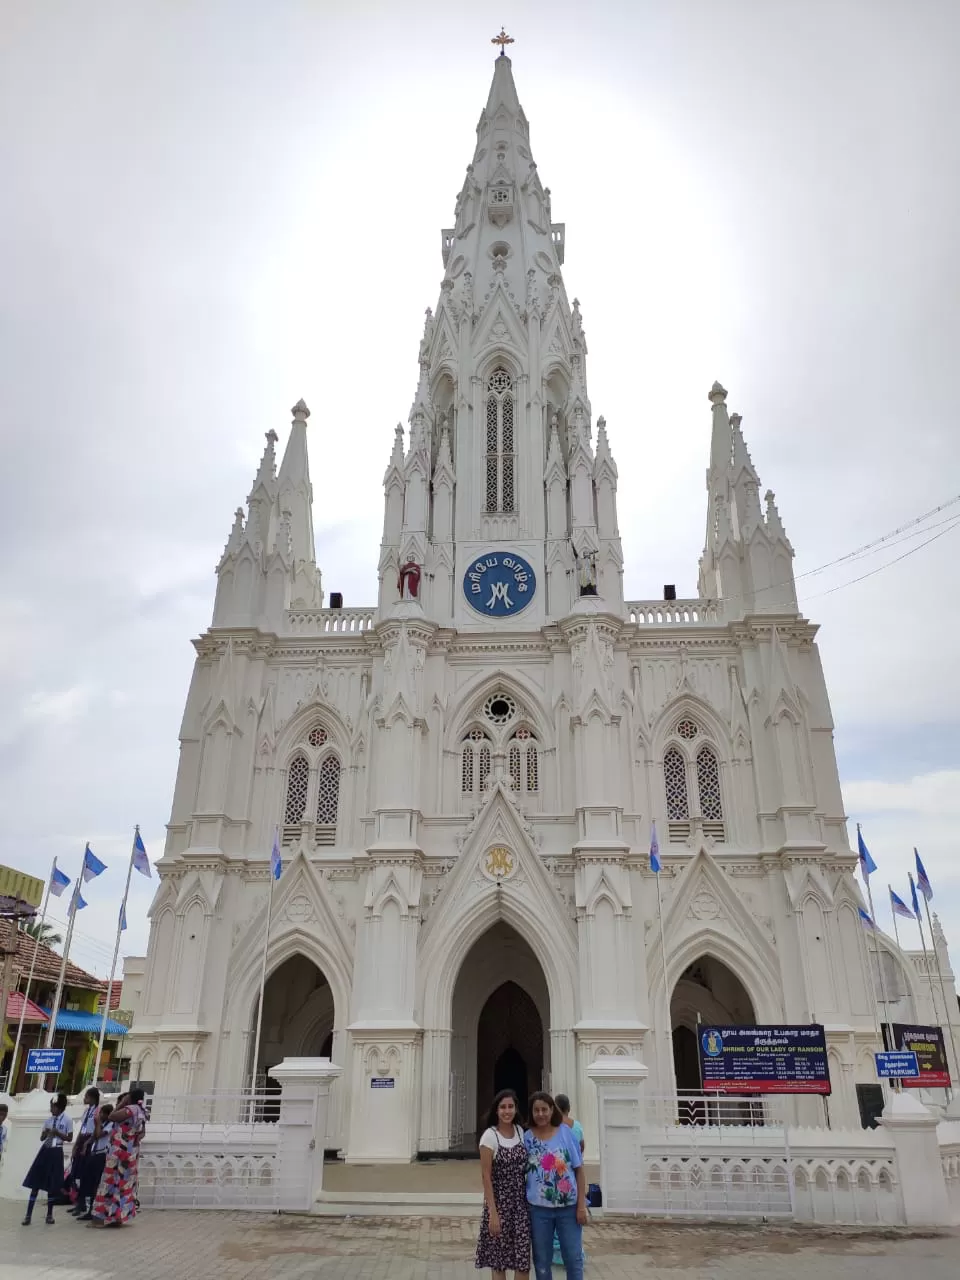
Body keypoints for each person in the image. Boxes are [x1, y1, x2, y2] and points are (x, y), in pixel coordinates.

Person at [523, 1091, 587, 1280]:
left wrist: (581, 1206)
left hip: (569, 1209)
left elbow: (579, 1170)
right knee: (542, 1262)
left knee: (573, 1259)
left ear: (552, 1110)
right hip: (539, 1210)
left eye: (544, 1109)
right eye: (536, 1110)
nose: (540, 1114)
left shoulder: (566, 1133)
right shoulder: (527, 1139)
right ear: (531, 1112)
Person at [475, 1089, 530, 1279]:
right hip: (499, 1206)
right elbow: (486, 1176)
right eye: (503, 1107)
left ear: (516, 1109)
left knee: (522, 1262)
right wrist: (493, 1213)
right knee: (499, 1263)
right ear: (496, 1110)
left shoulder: (520, 1132)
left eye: (511, 1107)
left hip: (520, 1207)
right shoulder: (490, 1137)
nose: (507, 1111)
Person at [90, 1088, 147, 1228]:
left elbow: (112, 1116)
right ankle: (117, 1217)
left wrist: (122, 1103)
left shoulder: (130, 1109)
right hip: (131, 1152)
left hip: (119, 1150)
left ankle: (101, 1219)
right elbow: (142, 1133)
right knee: (123, 1183)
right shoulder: (142, 1112)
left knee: (109, 1181)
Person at [22, 1093, 73, 1225]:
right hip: (45, 1150)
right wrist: (45, 1133)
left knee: (52, 1184)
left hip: (56, 1151)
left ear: (59, 1107)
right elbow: (42, 1138)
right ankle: (28, 1215)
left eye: (53, 1107)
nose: (51, 1109)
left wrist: (58, 1133)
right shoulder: (48, 1120)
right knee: (35, 1182)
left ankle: (49, 1215)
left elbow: (70, 1138)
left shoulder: (67, 1120)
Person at [552, 1095, 585, 1268]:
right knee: (572, 1218)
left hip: (558, 1174)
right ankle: (575, 1253)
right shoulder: (577, 1126)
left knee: (557, 1217)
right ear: (569, 1108)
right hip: (574, 1174)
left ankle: (557, 1254)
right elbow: (582, 1147)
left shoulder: (556, 1126)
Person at [75, 1103, 113, 1221]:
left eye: (102, 1113)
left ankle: (94, 1210)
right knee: (88, 1182)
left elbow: (98, 1134)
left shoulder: (110, 1125)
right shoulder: (101, 1124)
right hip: (93, 1153)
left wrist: (97, 1124)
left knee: (97, 1183)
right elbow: (93, 1137)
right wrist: (85, 1145)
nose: (99, 1115)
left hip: (101, 1154)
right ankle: (88, 1208)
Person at [68, 1087, 100, 1216]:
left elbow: (96, 1130)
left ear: (92, 1098)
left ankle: (84, 1203)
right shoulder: (87, 1111)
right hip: (82, 1138)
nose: (84, 1099)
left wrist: (88, 1143)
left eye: (87, 1096)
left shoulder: (97, 1111)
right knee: (76, 1172)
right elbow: (83, 1127)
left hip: (90, 1141)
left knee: (85, 1174)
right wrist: (76, 1144)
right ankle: (79, 1202)